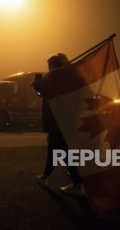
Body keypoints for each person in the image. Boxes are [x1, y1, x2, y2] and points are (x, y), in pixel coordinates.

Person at [33, 53, 84, 196]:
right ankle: (46, 176)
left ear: (54, 66)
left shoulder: (55, 77)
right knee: (57, 149)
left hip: (58, 121)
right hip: (67, 121)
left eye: (50, 66)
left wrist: (37, 82)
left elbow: (41, 90)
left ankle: (77, 183)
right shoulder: (71, 77)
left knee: (61, 151)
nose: (49, 69)